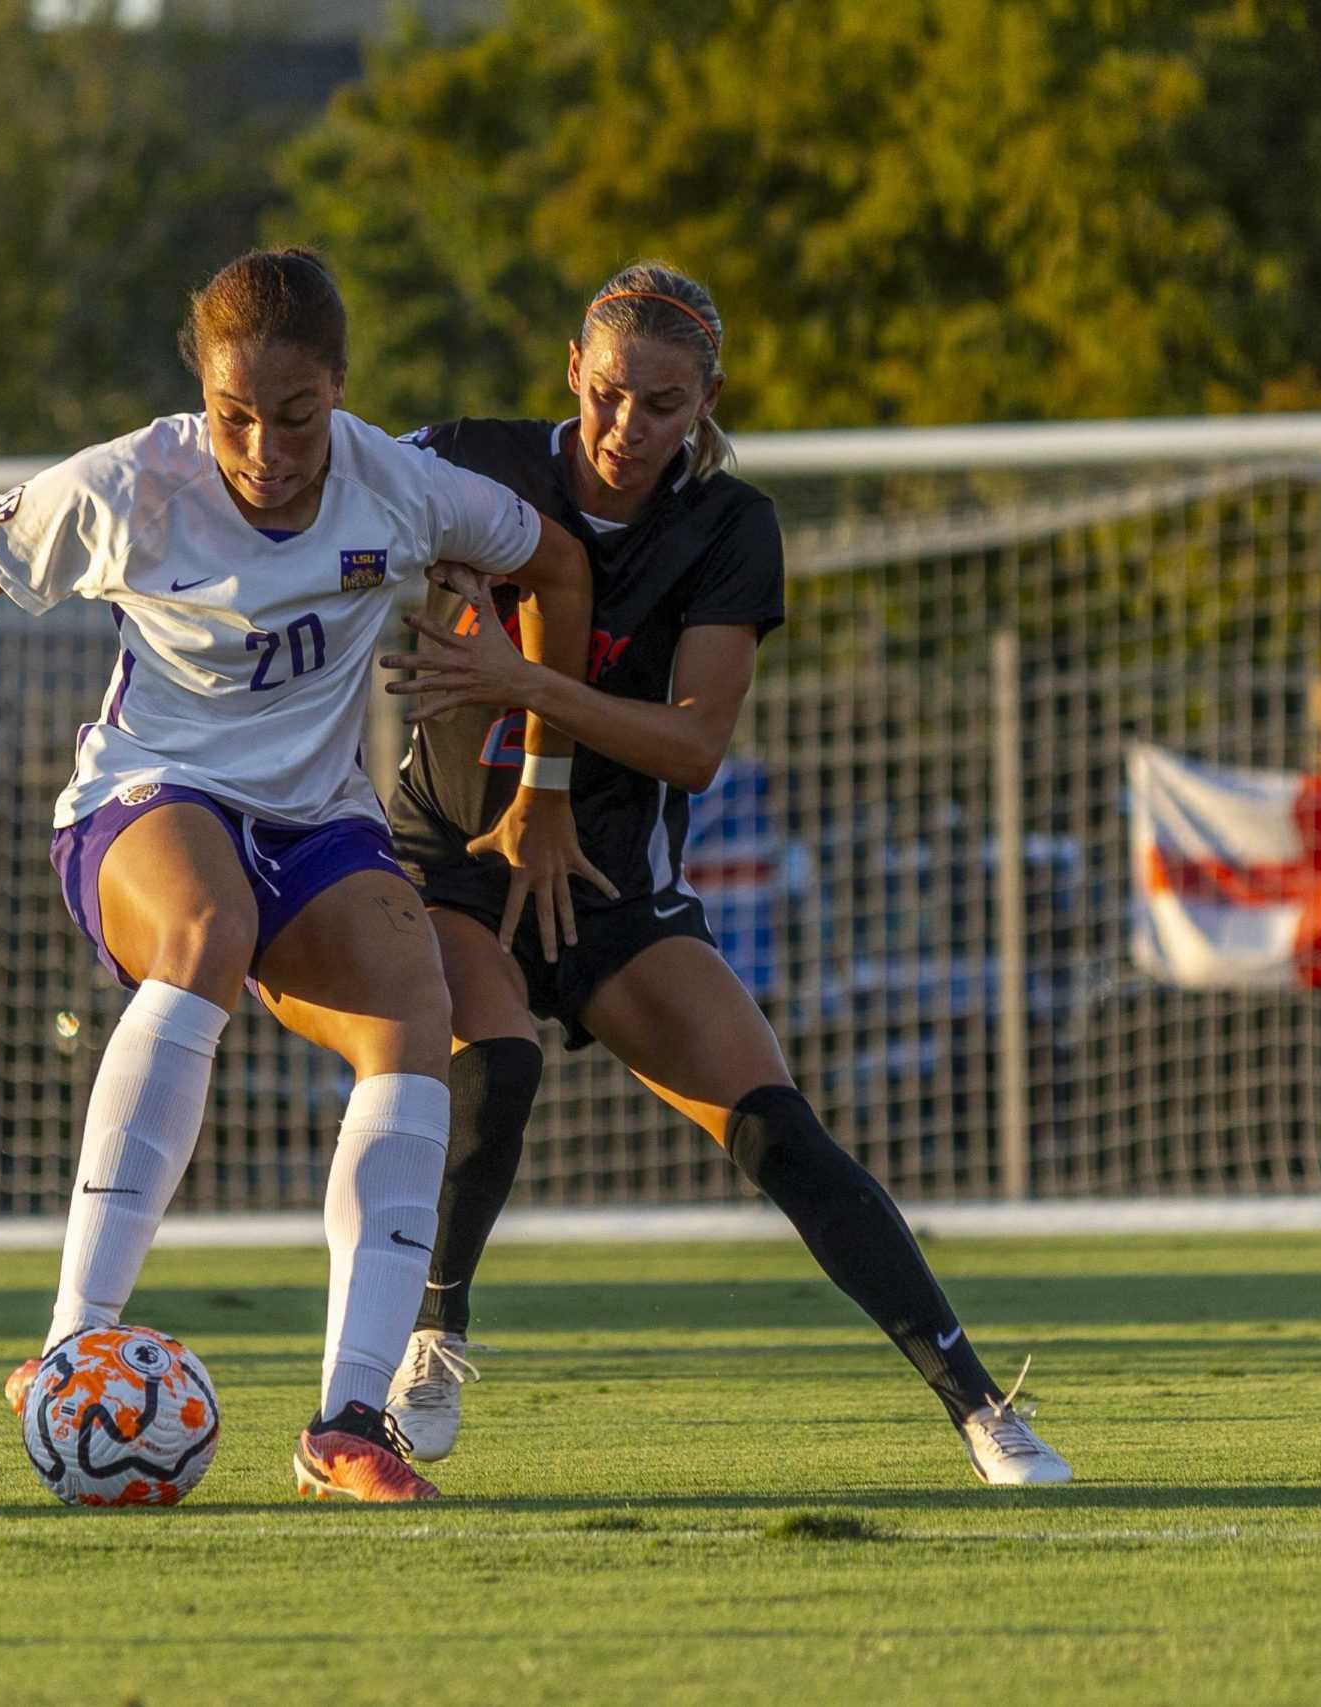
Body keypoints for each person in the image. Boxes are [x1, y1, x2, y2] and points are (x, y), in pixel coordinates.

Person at [0, 247, 597, 1503]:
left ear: (342, 391)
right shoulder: (127, 485)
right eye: (234, 415)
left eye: (296, 415)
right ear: (200, 394)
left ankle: (349, 1425)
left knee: (417, 1012)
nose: (263, 446)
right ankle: (69, 1345)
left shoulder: (402, 487)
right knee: (205, 925)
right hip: (143, 800)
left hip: (317, 823)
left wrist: (541, 775)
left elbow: (560, 568)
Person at [378, 261, 1073, 1486]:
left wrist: (523, 687)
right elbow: (321, 509)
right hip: (453, 858)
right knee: (495, 1057)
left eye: (661, 402)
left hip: (607, 879)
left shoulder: (727, 525)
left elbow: (693, 747)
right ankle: (432, 1332)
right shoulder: (465, 457)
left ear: (706, 400)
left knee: (776, 1130)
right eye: (604, 395)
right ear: (569, 377)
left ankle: (977, 1404)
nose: (624, 427)